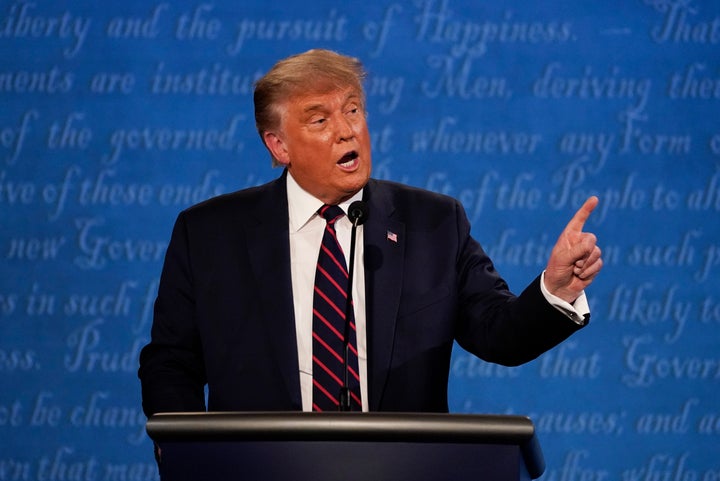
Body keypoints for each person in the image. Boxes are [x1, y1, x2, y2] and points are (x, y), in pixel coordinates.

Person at [138, 49, 602, 416]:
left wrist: (554, 291)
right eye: (320, 120)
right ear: (278, 145)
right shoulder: (210, 235)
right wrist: (185, 455)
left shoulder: (434, 223)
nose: (346, 131)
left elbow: (500, 334)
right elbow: (171, 362)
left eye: (353, 110)